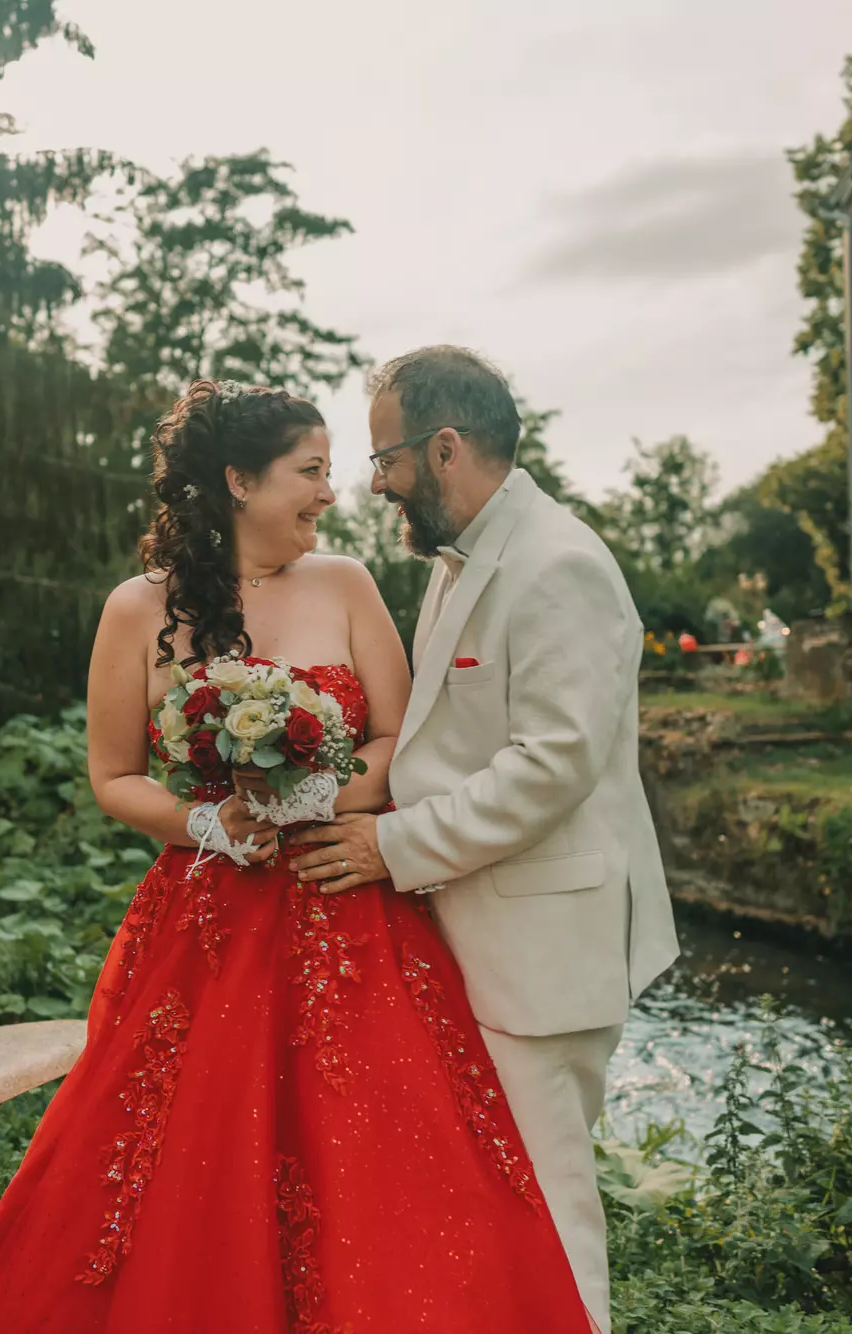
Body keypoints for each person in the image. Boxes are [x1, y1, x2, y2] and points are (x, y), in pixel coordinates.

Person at [0, 379, 596, 1332]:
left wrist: (320, 797)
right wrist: (209, 825)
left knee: (378, 1165)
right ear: (237, 482)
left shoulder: (346, 585)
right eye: (310, 472)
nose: (331, 495)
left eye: (335, 473)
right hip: (208, 924)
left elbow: (397, 740)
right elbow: (113, 775)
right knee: (183, 1160)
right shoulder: (138, 611)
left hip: (348, 903)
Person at [289, 346, 681, 1332]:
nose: (374, 482)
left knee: (547, 1218)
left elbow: (550, 765)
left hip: (542, 955)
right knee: (495, 1217)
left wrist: (390, 846)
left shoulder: (559, 565)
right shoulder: (465, 559)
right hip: (485, 937)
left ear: (446, 446)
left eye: (386, 457)